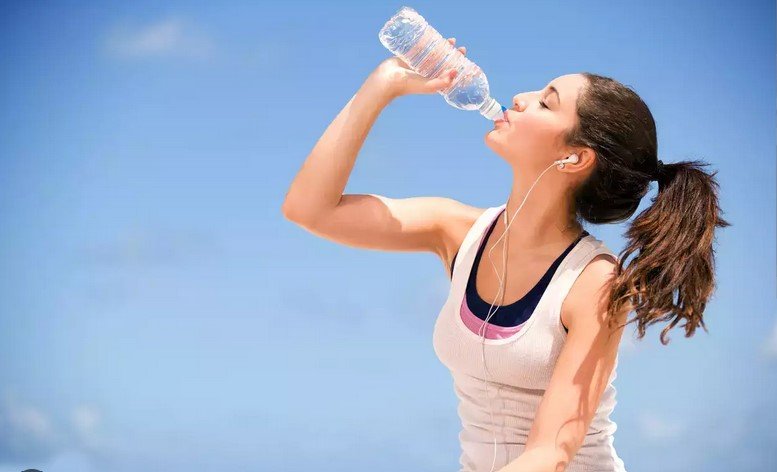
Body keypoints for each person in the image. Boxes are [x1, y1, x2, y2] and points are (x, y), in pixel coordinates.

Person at [281, 37, 730, 472]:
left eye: (546, 102)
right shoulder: (455, 231)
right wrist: (382, 85)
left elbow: (550, 453)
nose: (520, 97)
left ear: (574, 159)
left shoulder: (592, 281)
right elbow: (309, 209)